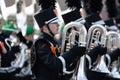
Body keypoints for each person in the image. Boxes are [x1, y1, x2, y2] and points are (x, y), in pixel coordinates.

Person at [32, 7, 86, 80]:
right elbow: (54, 64)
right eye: (54, 23)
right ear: (45, 27)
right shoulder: (41, 42)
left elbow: (62, 67)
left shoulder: (52, 41)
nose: (58, 25)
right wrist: (74, 51)